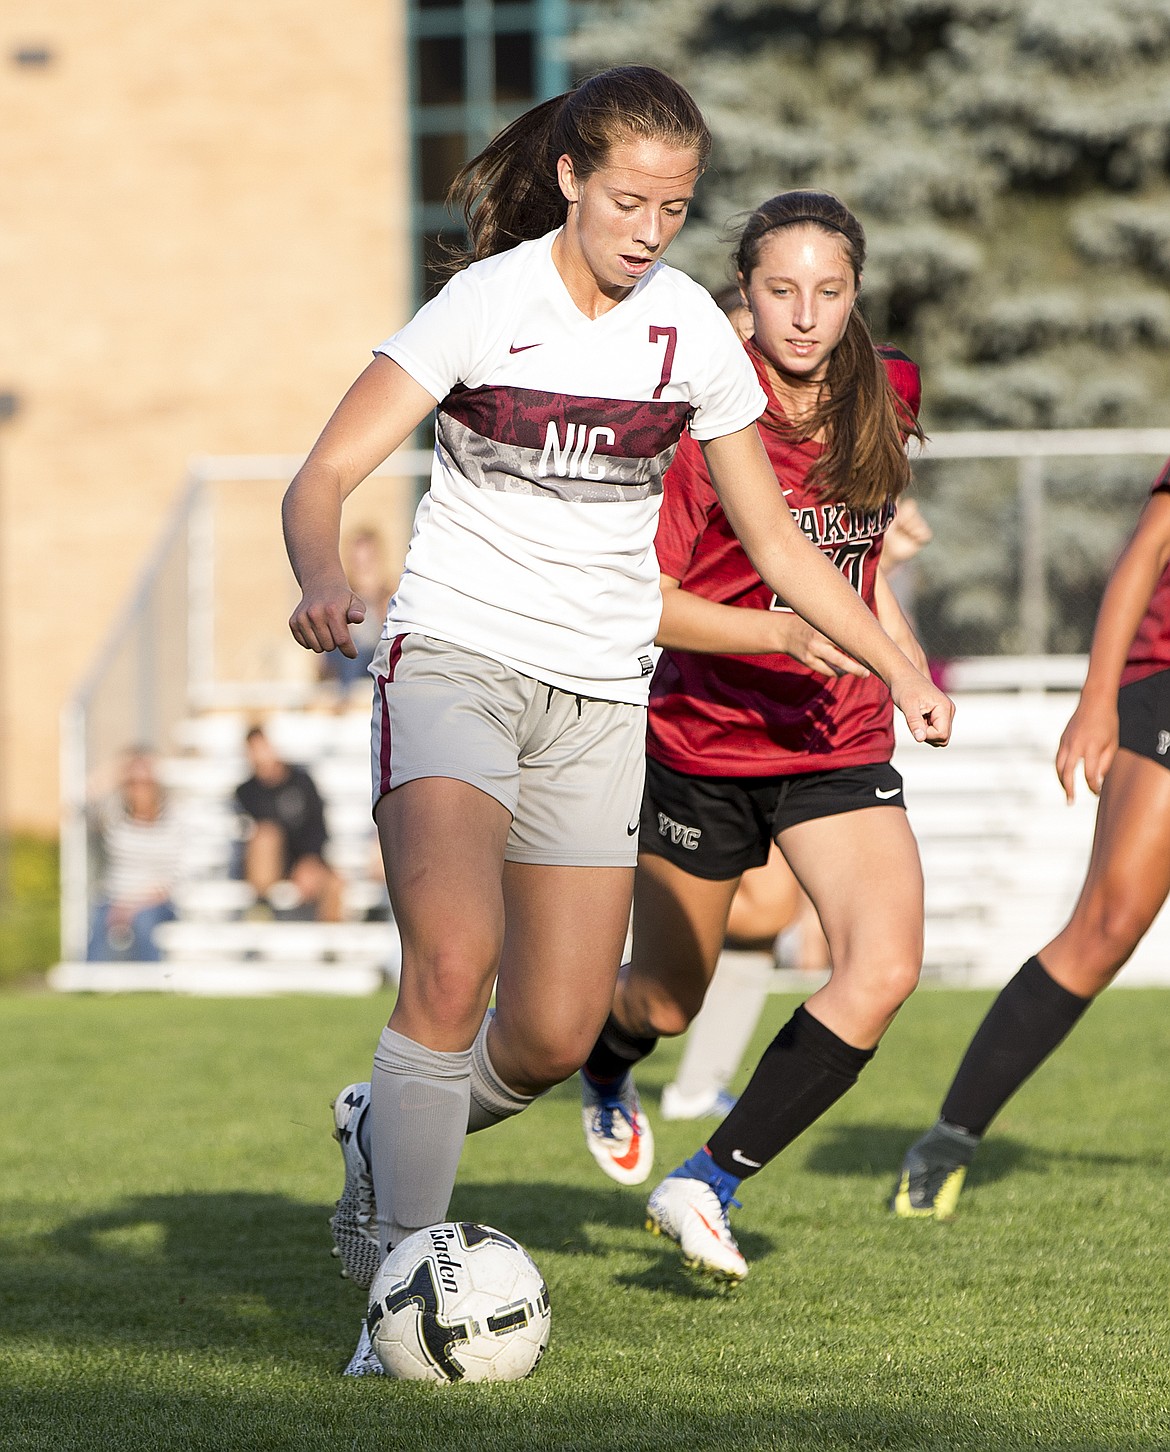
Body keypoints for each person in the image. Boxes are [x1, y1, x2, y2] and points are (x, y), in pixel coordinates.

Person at [280, 70, 951, 1370]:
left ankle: (384, 1128)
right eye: (630, 200)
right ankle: (395, 1305)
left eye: (677, 208)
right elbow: (324, 474)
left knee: (544, 1034)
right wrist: (322, 575)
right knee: (450, 964)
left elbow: (778, 543)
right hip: (456, 661)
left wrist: (892, 663)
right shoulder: (486, 305)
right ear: (575, 180)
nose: (651, 228)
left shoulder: (691, 331)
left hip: (597, 699)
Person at [577, 189, 935, 1283]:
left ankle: (706, 1182)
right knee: (668, 1000)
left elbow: (860, 567)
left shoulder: (893, 392)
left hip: (838, 742)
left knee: (881, 970)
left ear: (858, 295)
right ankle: (605, 1056)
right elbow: (649, 603)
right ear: (745, 292)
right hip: (706, 744)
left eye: (829, 291)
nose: (805, 315)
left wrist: (906, 673)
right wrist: (775, 633)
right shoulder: (700, 422)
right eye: (781, 290)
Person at [893, 468, 1170, 1218]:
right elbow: (1148, 552)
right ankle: (947, 1143)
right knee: (1107, 928)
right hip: (1165, 682)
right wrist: (1097, 701)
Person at [659, 497, 934, 1121]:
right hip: (713, 723)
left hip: (818, 730)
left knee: (791, 923)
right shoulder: (731, 421)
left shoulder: (880, 408)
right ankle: (604, 1035)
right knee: (668, 991)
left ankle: (700, 1092)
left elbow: (827, 570)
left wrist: (881, 583)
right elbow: (756, 573)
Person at [234, 725, 343, 922]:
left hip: (305, 860)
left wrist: (310, 860)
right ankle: (260, 912)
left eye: (262, 748)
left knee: (335, 883)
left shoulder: (301, 782)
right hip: (267, 867)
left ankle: (330, 944)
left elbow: (318, 826)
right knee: (266, 837)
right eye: (254, 751)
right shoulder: (246, 792)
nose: (260, 756)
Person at [88, 747, 182, 961]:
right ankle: (91, 984)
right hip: (115, 899)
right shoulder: (114, 817)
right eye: (133, 782)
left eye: (145, 782)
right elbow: (84, 800)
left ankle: (151, 984)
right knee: (98, 918)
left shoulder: (174, 819)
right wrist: (119, 770)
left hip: (157, 902)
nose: (139, 789)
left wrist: (131, 906)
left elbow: (175, 876)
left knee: (144, 921)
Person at [317, 528, 396, 699]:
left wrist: (376, 598)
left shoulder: (389, 595)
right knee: (349, 649)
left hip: (375, 656)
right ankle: (344, 698)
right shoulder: (342, 596)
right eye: (357, 563)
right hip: (348, 662)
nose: (362, 569)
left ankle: (345, 699)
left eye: (367, 563)